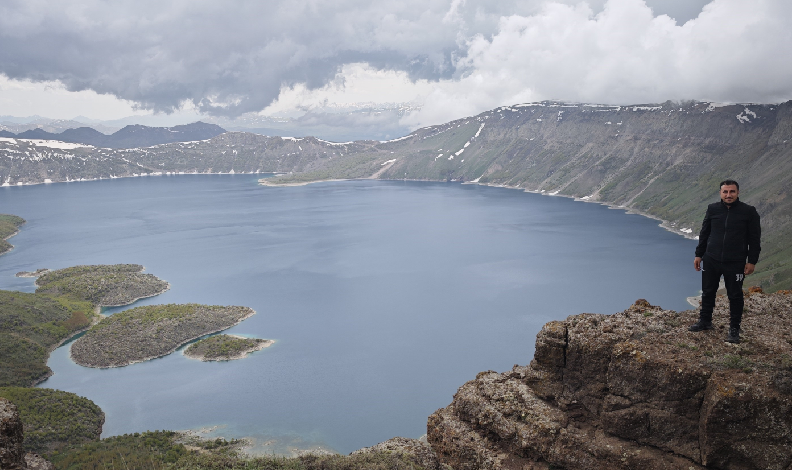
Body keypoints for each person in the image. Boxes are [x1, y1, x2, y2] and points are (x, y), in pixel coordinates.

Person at [689, 180, 761, 343]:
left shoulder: (748, 212)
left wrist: (752, 261)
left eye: (732, 192)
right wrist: (699, 254)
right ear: (720, 193)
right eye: (725, 192)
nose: (729, 195)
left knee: (735, 295)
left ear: (738, 192)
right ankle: (705, 321)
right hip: (711, 259)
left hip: (735, 261)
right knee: (708, 292)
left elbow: (754, 238)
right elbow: (705, 233)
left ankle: (734, 328)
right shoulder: (712, 209)